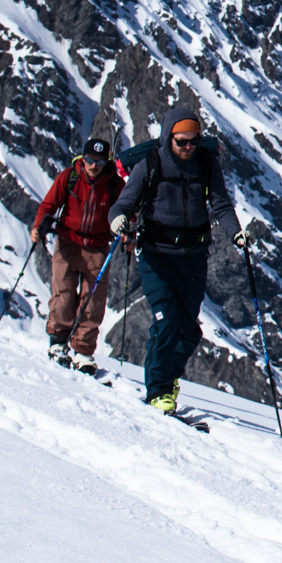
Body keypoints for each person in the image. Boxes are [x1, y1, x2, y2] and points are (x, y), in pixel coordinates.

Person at [107, 105, 244, 415]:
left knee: (189, 330)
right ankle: (159, 390)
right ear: (168, 137)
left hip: (194, 257)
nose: (188, 147)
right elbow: (122, 206)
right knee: (167, 321)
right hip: (156, 256)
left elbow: (221, 205)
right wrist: (118, 223)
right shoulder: (149, 165)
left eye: (193, 141)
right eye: (182, 141)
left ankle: (168, 378)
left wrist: (236, 234)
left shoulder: (207, 164)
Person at [31, 136, 125, 376]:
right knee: (63, 294)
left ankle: (83, 351)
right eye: (89, 160)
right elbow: (48, 205)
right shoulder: (69, 177)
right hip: (67, 242)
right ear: (82, 159)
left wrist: (127, 231)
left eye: (99, 162)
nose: (93, 166)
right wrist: (38, 226)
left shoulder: (115, 185)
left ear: (107, 162)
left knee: (92, 302)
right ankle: (58, 343)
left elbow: (127, 210)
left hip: (98, 247)